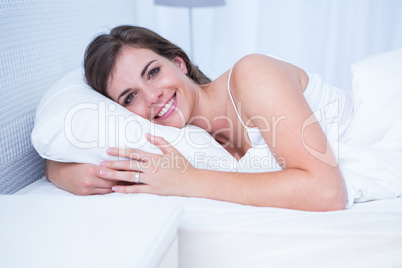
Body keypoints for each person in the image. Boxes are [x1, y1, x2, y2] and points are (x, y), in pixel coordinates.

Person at [45, 25, 402, 211]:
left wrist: (191, 181)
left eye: (153, 72)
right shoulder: (194, 142)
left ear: (179, 63)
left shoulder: (251, 75)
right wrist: (58, 171)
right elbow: (93, 153)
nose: (151, 97)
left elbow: (326, 191)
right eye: (130, 97)